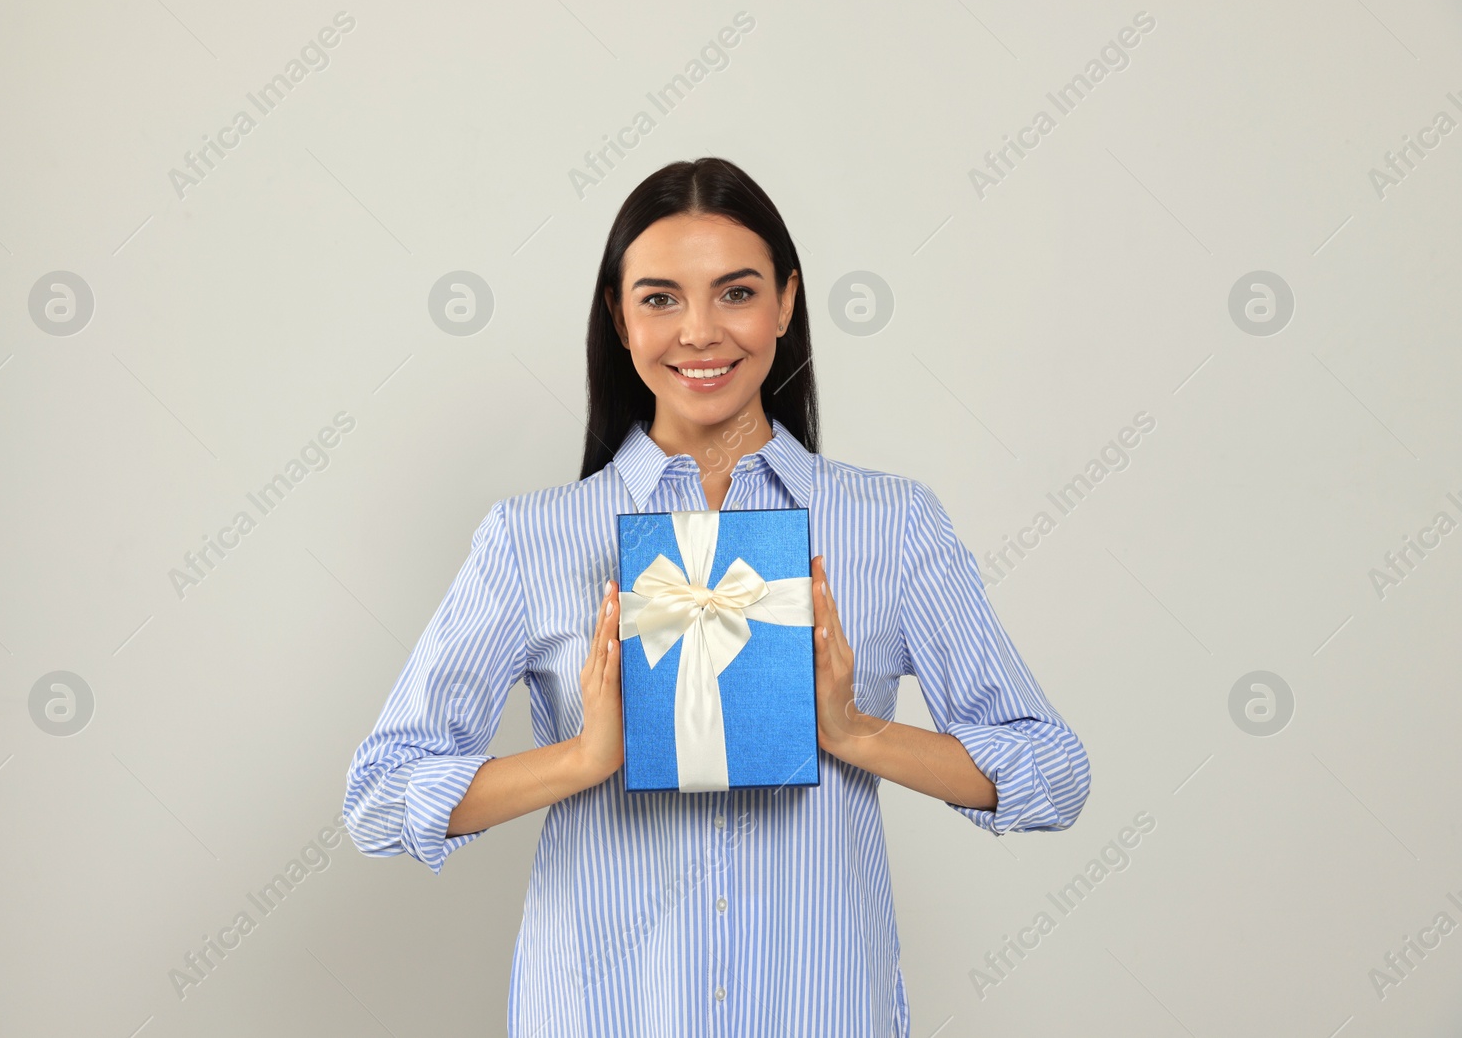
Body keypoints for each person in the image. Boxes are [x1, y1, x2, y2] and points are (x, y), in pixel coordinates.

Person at [342, 157, 1091, 1036]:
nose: (700, 331)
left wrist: (856, 731)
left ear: (785, 303)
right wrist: (582, 758)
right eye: (660, 298)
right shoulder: (531, 538)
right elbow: (380, 799)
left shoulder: (890, 525)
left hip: (824, 1011)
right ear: (619, 318)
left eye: (735, 292)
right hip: (604, 1013)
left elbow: (1055, 774)